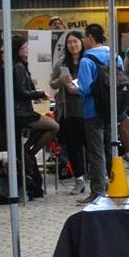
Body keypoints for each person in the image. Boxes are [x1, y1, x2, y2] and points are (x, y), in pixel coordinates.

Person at [77, 23, 124, 199]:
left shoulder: (86, 60)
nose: (83, 40)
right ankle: (115, 185)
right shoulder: (115, 56)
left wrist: (73, 87)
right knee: (111, 148)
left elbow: (84, 89)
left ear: (90, 37)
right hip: (112, 110)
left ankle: (97, 191)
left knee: (96, 153)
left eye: (84, 37)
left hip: (92, 111)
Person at [11, 35, 57, 200]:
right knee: (53, 126)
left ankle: (28, 150)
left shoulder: (20, 66)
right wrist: (40, 93)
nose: (28, 49)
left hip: (23, 110)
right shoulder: (18, 67)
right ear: (18, 50)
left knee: (46, 127)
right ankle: (30, 152)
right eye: (25, 47)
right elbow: (21, 92)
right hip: (22, 113)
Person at [49, 29, 87, 195]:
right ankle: (79, 179)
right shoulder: (61, 63)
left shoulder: (88, 60)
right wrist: (62, 81)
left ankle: (97, 178)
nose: (73, 45)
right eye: (69, 42)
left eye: (75, 42)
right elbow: (53, 84)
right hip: (68, 111)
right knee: (73, 147)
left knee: (91, 145)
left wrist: (78, 89)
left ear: (82, 42)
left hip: (87, 110)